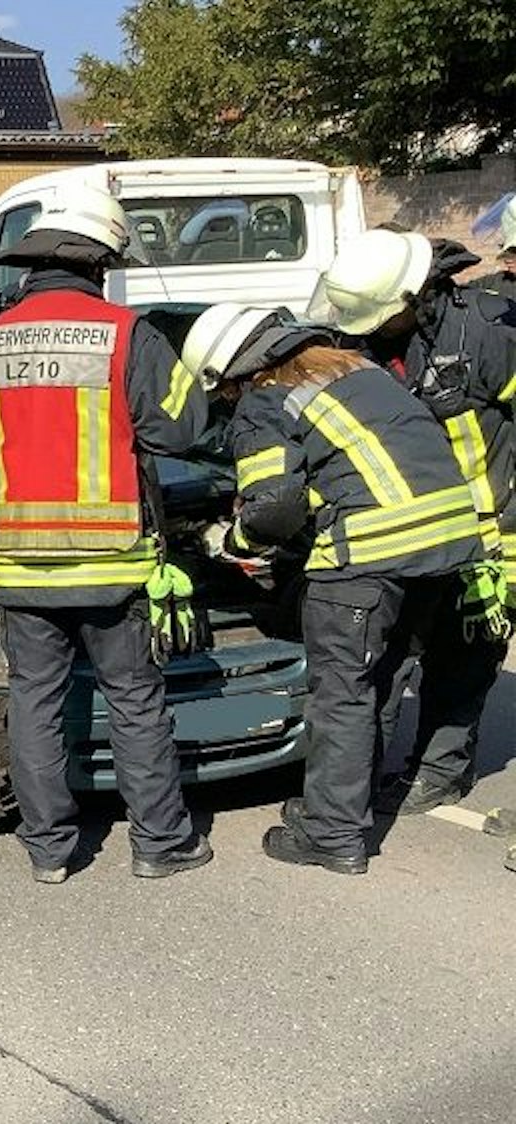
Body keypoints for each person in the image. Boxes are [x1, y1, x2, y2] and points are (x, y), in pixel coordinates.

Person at [0, 184, 212, 884]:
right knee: (136, 701)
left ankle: (49, 852)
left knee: (35, 703)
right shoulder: (128, 334)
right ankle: (159, 844)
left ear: (33, 266)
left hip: (20, 571)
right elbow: (182, 429)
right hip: (113, 565)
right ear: (101, 264)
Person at [183, 305, 488, 874]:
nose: (227, 402)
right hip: (446, 547)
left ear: (233, 374)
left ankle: (331, 837)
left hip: (370, 555)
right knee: (385, 678)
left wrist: (234, 542)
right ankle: (346, 804)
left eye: (222, 392)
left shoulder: (264, 401)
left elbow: (274, 507)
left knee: (342, 695)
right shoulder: (358, 371)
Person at [311, 228, 516, 815]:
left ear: (415, 296)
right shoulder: (365, 340)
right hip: (411, 531)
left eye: (381, 318)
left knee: (464, 655)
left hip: (490, 530)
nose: (367, 329)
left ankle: (439, 772)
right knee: (391, 654)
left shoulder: (486, 332)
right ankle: (361, 779)